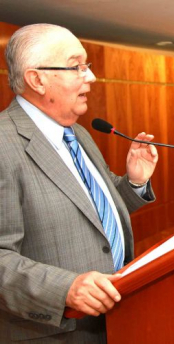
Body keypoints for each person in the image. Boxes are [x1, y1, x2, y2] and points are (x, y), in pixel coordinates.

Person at [0, 24, 159, 343]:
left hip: (115, 316)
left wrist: (134, 183)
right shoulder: (4, 143)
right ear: (37, 79)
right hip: (55, 331)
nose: (91, 77)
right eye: (77, 66)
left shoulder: (78, 133)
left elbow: (93, 211)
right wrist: (65, 289)